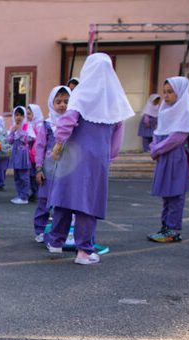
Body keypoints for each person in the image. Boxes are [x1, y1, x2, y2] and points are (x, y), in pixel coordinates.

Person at [46, 53, 132, 265]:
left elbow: (68, 121)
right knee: (87, 203)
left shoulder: (81, 93)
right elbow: (118, 134)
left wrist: (58, 143)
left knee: (64, 198)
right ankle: (84, 251)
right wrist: (109, 156)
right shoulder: (115, 98)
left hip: (73, 154)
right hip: (96, 159)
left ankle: (55, 241)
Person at [147, 76, 189, 243]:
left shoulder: (186, 112)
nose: (166, 96)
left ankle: (173, 229)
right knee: (167, 195)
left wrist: (157, 150)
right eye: (165, 92)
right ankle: (165, 226)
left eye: (170, 92)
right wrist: (154, 147)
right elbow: (158, 131)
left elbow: (177, 138)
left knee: (175, 194)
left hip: (175, 159)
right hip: (164, 158)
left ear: (180, 92)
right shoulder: (165, 110)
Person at [31, 85, 69, 243]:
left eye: (66, 101)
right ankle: (40, 229)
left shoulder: (72, 123)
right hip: (49, 169)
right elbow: (39, 147)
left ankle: (61, 232)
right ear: (51, 103)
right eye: (58, 101)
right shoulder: (46, 125)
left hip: (67, 170)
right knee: (44, 202)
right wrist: (39, 168)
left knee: (63, 203)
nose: (62, 105)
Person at [6, 106, 34, 205]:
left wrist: (20, 130)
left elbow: (29, 139)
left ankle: (24, 196)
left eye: (21, 115)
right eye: (16, 115)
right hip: (16, 154)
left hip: (23, 155)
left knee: (24, 176)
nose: (18, 117)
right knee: (17, 176)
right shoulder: (13, 126)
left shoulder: (27, 126)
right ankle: (19, 195)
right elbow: (9, 141)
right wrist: (13, 132)